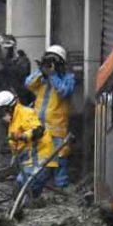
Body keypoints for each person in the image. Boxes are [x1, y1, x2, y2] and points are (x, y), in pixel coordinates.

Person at [25, 45, 76, 188]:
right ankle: (38, 187)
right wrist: (42, 71)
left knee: (59, 158)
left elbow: (64, 92)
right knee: (39, 157)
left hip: (57, 128)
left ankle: (61, 188)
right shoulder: (42, 77)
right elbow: (28, 84)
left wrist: (53, 76)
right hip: (39, 126)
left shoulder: (68, 78)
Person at [0, 91, 57, 200]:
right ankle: (34, 203)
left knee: (20, 191)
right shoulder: (14, 120)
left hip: (40, 160)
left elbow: (38, 130)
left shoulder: (25, 113)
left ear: (9, 108)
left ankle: (31, 205)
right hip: (30, 162)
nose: (2, 116)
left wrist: (23, 136)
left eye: (2, 113)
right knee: (20, 192)